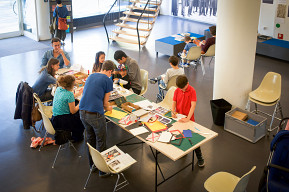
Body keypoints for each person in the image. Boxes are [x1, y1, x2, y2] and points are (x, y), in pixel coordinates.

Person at [79, 60, 114, 177]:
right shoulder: (108, 80)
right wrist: (110, 108)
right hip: (95, 114)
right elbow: (105, 103)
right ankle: (102, 170)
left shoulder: (91, 75)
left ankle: (92, 166)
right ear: (110, 71)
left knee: (90, 139)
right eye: (111, 73)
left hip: (82, 112)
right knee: (101, 141)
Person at [171, 75, 205, 167]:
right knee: (179, 134)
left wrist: (188, 119)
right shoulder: (177, 90)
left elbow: (193, 105)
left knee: (191, 137)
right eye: (180, 89)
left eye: (184, 88)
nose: (182, 90)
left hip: (188, 118)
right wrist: (172, 111)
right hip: (178, 117)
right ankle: (184, 150)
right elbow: (174, 101)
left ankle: (200, 157)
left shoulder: (192, 91)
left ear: (188, 84)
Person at [51, 75, 84, 142]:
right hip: (62, 122)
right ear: (71, 85)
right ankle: (77, 137)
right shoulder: (69, 94)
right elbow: (73, 111)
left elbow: (66, 98)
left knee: (77, 107)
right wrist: (81, 103)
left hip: (55, 119)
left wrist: (78, 94)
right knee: (81, 116)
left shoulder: (58, 89)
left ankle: (76, 135)